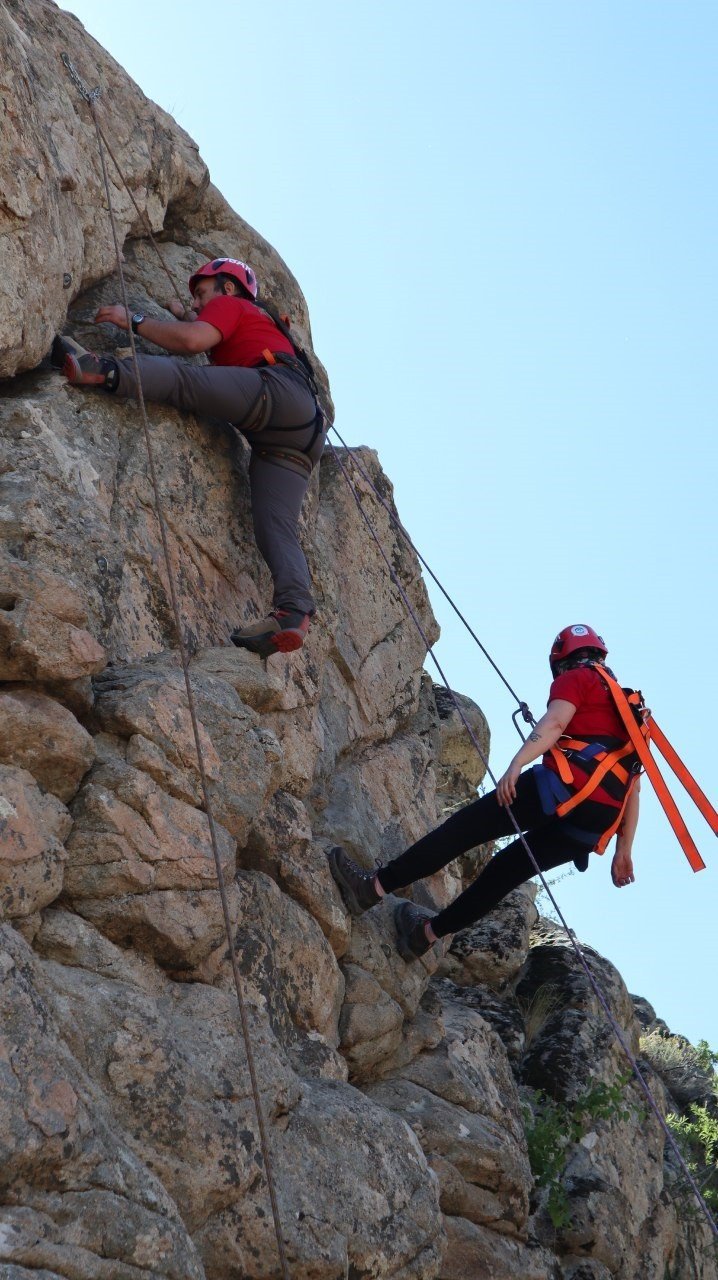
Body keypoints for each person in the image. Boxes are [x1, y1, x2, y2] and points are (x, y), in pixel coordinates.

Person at [52, 257, 326, 659]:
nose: (197, 303)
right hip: (300, 434)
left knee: (184, 381)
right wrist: (183, 312)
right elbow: (202, 329)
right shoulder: (257, 320)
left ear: (227, 287)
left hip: (276, 396)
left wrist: (136, 319)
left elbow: (193, 342)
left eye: (201, 293)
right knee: (275, 525)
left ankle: (106, 371)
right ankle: (293, 612)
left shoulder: (232, 304)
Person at [329, 624, 641, 961]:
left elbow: (555, 723)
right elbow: (633, 784)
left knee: (463, 831)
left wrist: (517, 764)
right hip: (590, 827)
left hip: (556, 789)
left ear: (562, 659)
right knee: (504, 873)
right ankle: (425, 935)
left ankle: (371, 888)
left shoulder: (578, 678)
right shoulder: (631, 708)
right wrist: (624, 849)